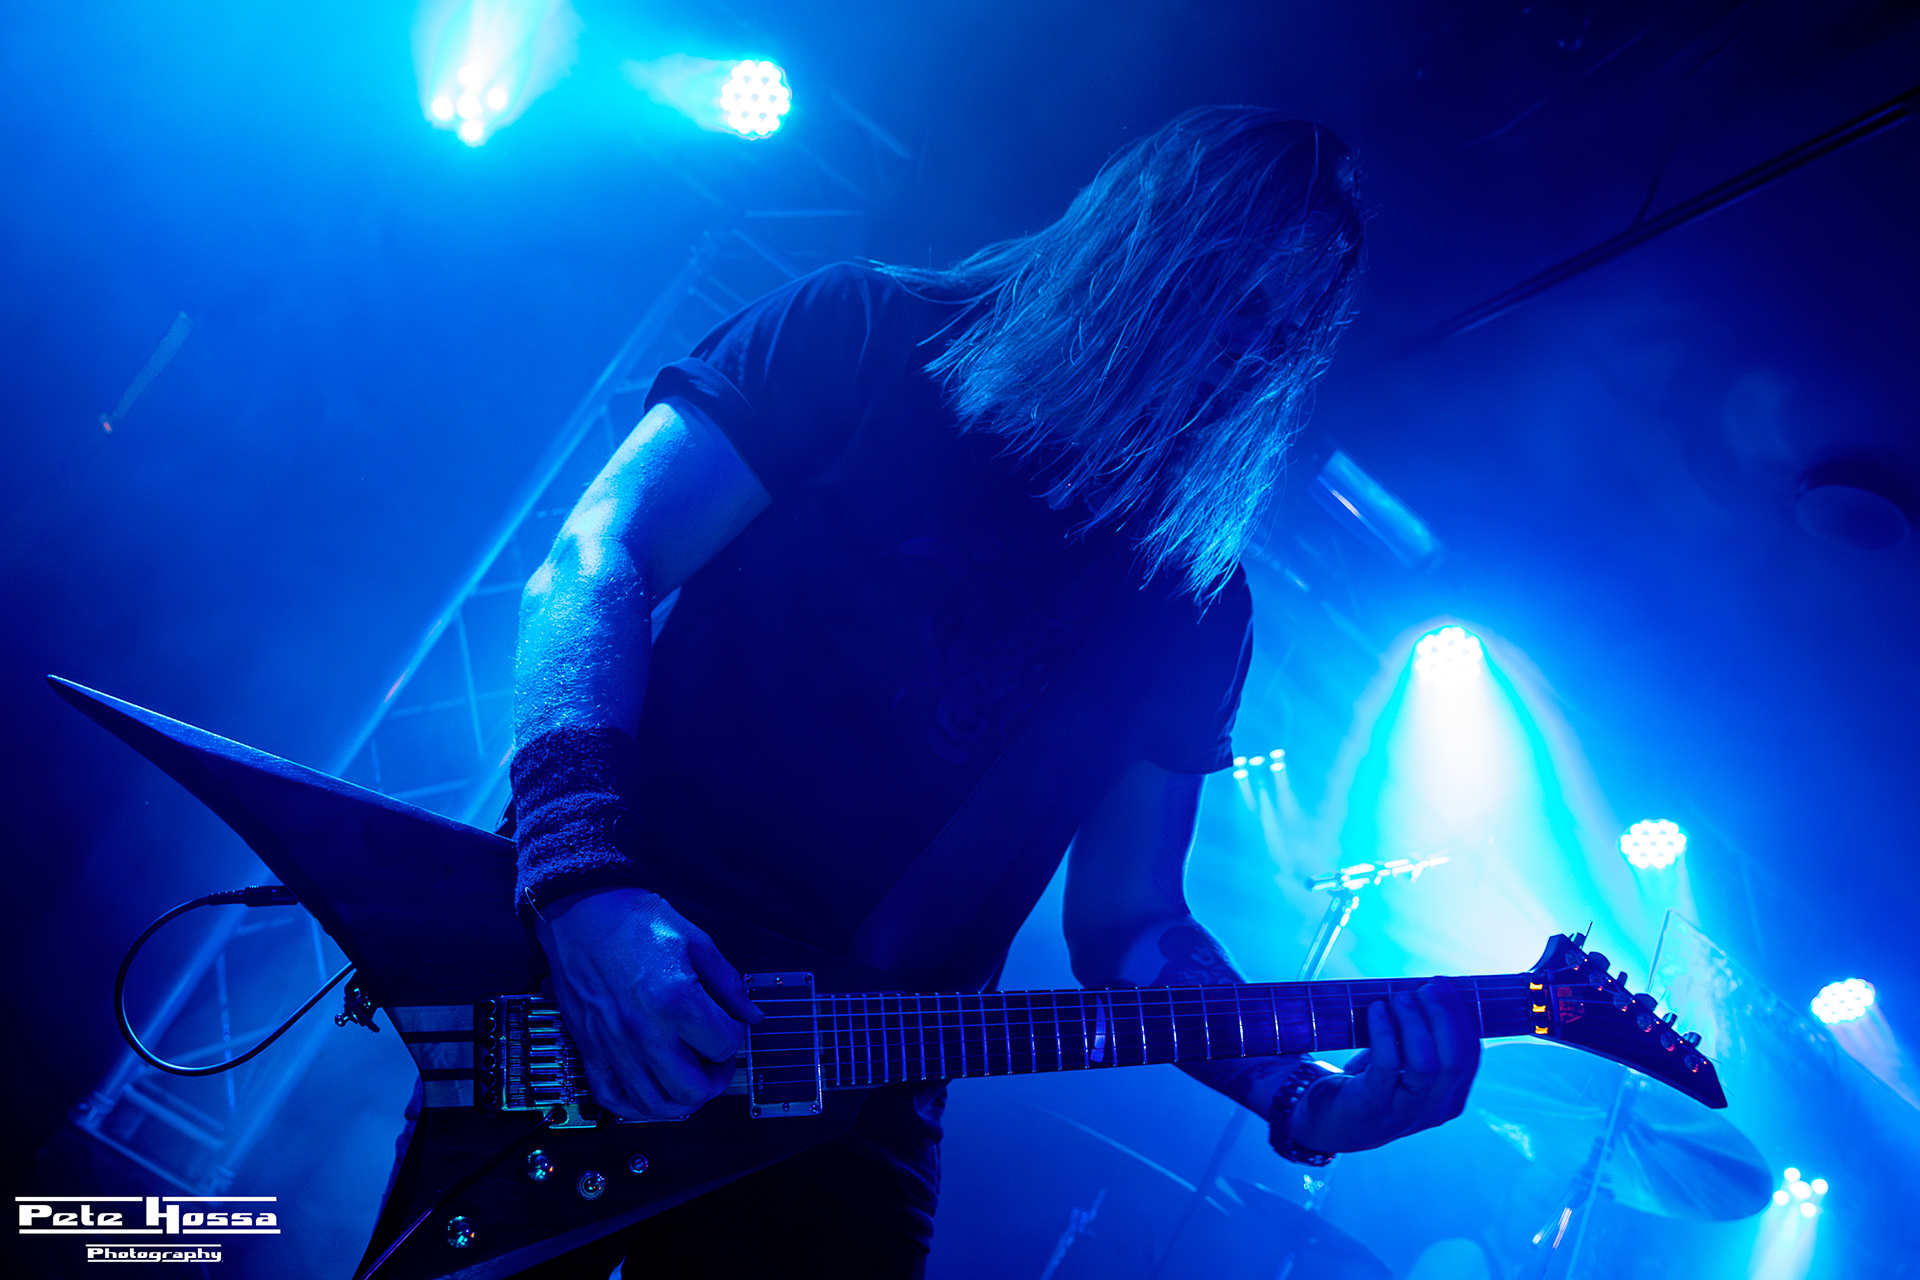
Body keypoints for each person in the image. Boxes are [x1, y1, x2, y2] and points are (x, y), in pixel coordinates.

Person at [506, 106, 1480, 1277]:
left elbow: (1130, 924)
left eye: (1277, 336)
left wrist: (1302, 1092)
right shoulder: (866, 331)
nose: (1237, 353)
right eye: (1223, 294)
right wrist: (585, 883)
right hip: (621, 978)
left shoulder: (1194, 600)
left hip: (856, 1106)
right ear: (1141, 240)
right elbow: (599, 554)